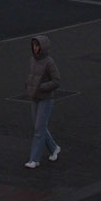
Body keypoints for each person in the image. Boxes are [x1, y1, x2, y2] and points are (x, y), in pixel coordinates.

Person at [24, 37, 62, 169]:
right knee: (38, 126)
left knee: (39, 128)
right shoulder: (33, 59)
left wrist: (41, 87)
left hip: (45, 98)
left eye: (37, 45)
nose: (35, 48)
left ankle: (34, 159)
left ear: (42, 47)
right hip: (35, 97)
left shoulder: (49, 62)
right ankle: (54, 148)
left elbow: (57, 81)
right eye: (34, 45)